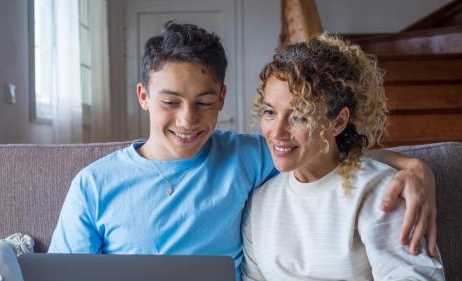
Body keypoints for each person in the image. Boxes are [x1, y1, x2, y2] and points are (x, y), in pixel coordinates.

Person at [49, 22, 437, 280]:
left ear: (222, 99)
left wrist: (415, 167)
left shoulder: (249, 157)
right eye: (170, 102)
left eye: (202, 103)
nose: (187, 120)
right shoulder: (93, 185)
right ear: (144, 96)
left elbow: (325, 155)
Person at [241, 34, 444, 280]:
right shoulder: (260, 202)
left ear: (338, 122)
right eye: (270, 112)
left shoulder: (378, 189)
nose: (278, 132)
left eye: (299, 117)